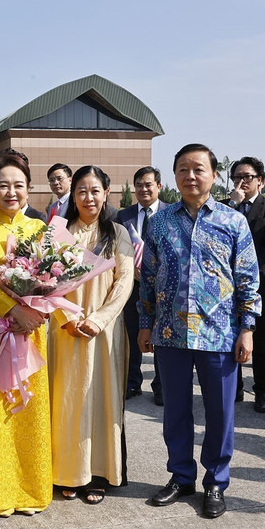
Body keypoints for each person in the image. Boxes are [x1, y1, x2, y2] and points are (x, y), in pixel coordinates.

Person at [138, 143, 260, 519]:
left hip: (220, 334)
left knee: (220, 413)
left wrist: (247, 328)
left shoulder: (233, 221)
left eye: (199, 169)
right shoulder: (159, 221)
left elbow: (247, 279)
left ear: (213, 175)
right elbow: (148, 276)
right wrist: (145, 324)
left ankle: (216, 482)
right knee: (174, 409)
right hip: (171, 333)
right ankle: (181, 475)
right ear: (174, 175)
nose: (191, 176)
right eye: (183, 170)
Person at [0, 149, 52, 516]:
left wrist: (35, 311)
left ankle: (30, 489)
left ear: (29, 190)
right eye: (3, 185)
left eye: (18, 185)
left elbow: (53, 277)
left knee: (29, 404)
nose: (11, 192)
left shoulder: (40, 228)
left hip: (32, 327)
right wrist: (12, 309)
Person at [48, 166, 133, 504]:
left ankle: (97, 473)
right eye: (81, 191)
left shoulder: (118, 233)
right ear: (73, 195)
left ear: (107, 192)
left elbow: (124, 282)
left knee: (100, 401)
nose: (88, 197)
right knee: (66, 401)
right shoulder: (58, 232)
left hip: (104, 334)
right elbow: (45, 282)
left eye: (95, 190)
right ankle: (67, 471)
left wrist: (99, 319)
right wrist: (64, 317)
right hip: (65, 332)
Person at [226, 157, 265, 413]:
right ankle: (234, 387)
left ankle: (261, 390)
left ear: (261, 180)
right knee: (230, 335)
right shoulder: (226, 207)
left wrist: (251, 276)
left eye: (247, 177)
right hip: (225, 283)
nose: (241, 182)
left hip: (254, 283)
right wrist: (232, 204)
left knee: (259, 335)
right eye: (237, 177)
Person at [118, 166, 167, 405]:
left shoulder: (171, 214)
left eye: (148, 184)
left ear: (159, 186)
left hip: (164, 288)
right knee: (133, 333)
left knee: (162, 337)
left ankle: (160, 386)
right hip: (133, 287)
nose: (143, 189)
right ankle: (132, 382)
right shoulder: (122, 216)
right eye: (139, 185)